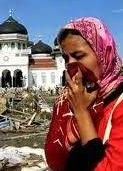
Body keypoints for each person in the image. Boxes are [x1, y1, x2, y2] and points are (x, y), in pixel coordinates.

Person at [45, 17, 123, 171]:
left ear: (103, 53)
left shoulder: (118, 105)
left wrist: (81, 112)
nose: (70, 64)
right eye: (66, 58)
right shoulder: (78, 100)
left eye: (79, 56)